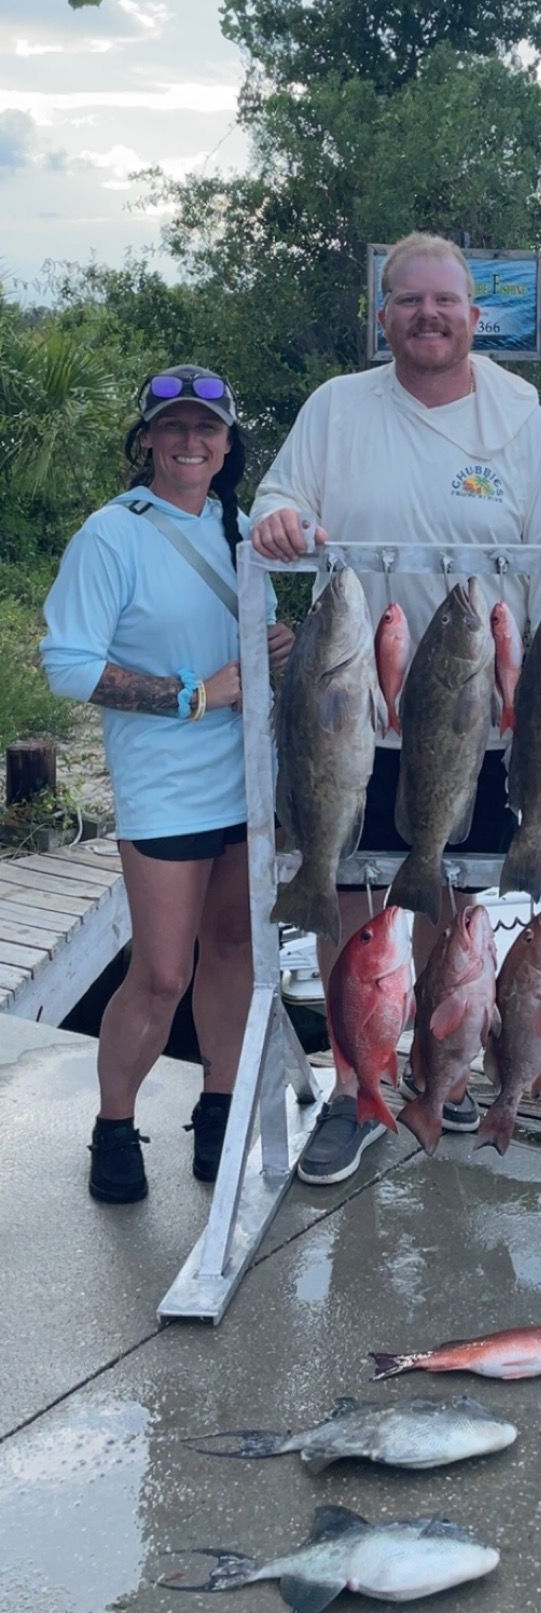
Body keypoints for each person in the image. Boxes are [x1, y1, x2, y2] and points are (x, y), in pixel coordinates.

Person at [249, 230, 541, 1185]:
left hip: (472, 711)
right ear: (383, 314)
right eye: (409, 301)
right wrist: (281, 518)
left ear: (479, 317)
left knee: (449, 898)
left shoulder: (525, 422)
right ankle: (359, 1083)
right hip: (347, 708)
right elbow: (283, 497)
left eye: (447, 302)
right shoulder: (335, 408)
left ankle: (444, 1063)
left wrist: (524, 700)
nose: (428, 316)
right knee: (345, 895)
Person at [41, 365, 292, 1205]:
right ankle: (115, 1124)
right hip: (166, 787)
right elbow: (68, 665)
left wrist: (273, 645)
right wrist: (193, 695)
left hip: (249, 782)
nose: (192, 442)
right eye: (174, 427)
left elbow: (243, 638)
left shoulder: (243, 526)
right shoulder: (111, 535)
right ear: (146, 437)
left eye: (208, 429)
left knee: (235, 956)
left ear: (229, 444)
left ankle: (217, 1110)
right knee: (158, 975)